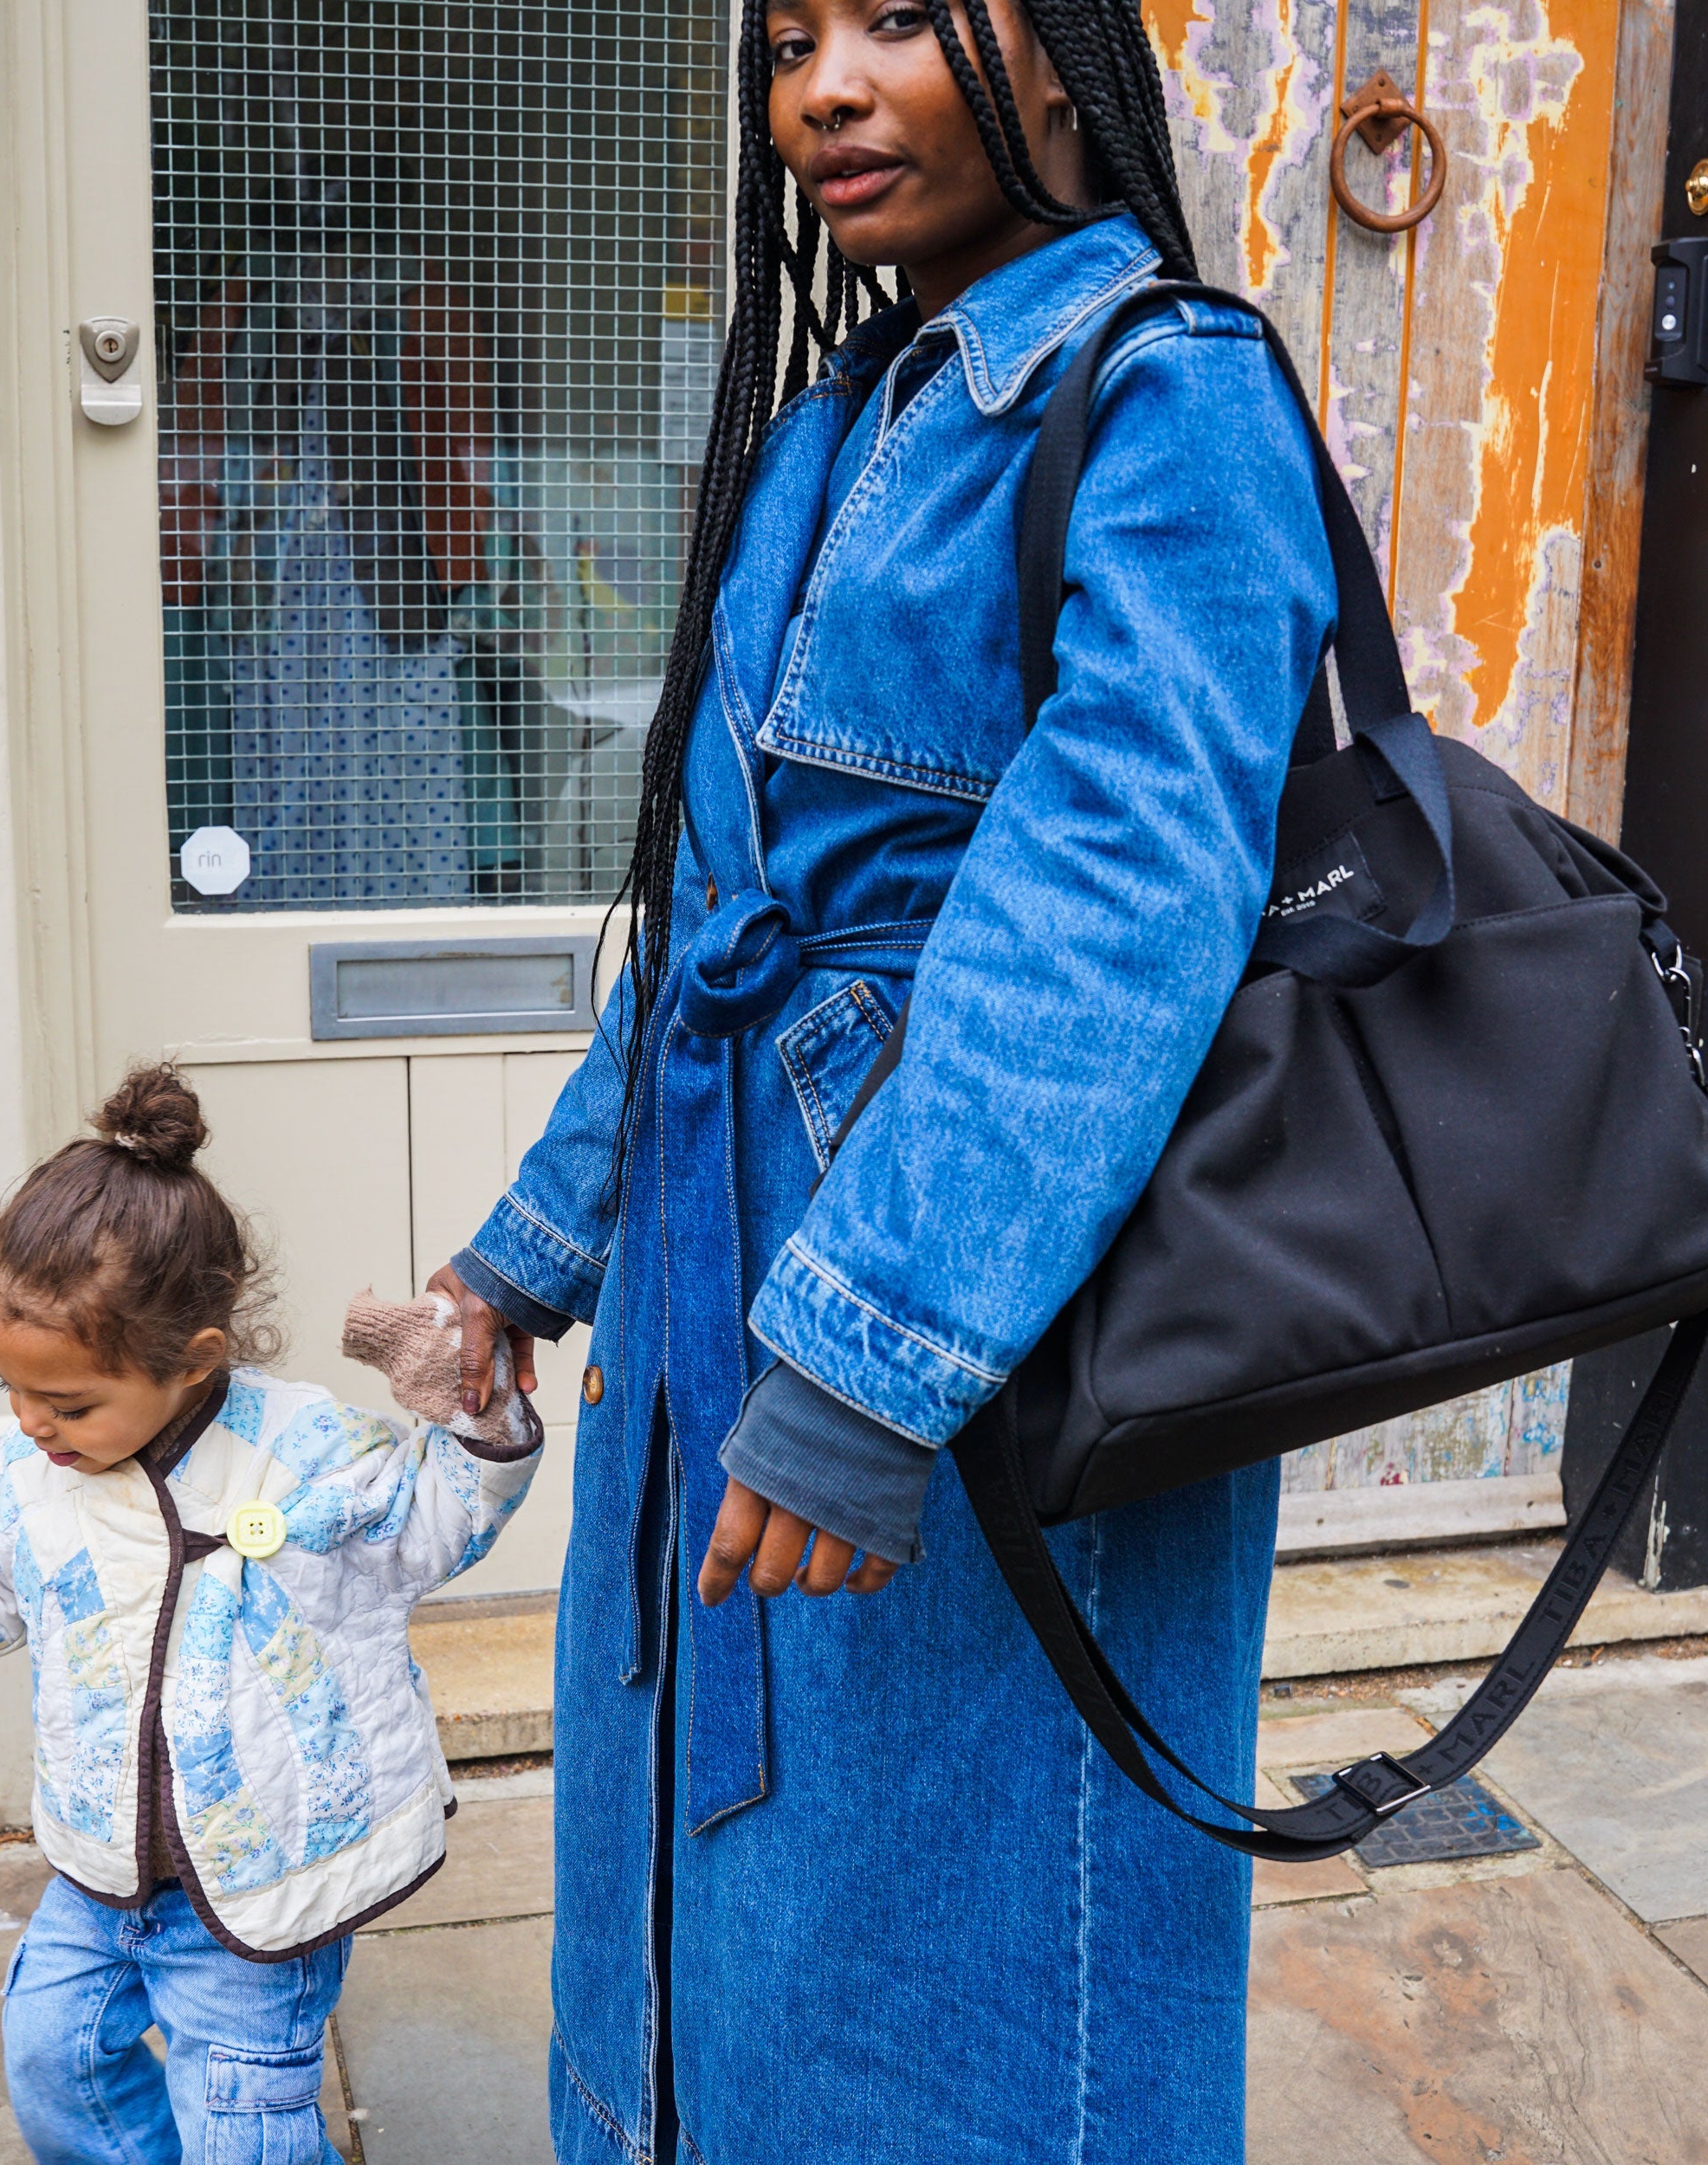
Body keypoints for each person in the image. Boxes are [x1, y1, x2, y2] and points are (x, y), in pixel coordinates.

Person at [432, 0, 1335, 2153]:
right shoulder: (827, 424)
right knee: (720, 1925)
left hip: (986, 1328)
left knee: (970, 1965)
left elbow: (1117, 899)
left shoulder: (1168, 394)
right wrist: (527, 1256)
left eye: (898, 19)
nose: (821, 86)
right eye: (785, 41)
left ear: (1065, 55)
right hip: (712, 1304)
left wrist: (869, 1358)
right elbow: (713, 926)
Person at [0, 1065, 542, 2164]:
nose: (31, 1422)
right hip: (99, 1869)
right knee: (50, 2059)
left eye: (68, 1402)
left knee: (242, 2124)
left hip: (263, 1885)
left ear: (193, 1361)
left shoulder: (304, 1453)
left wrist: (467, 1409)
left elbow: (438, 1515)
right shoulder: (28, 1478)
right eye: (12, 1388)